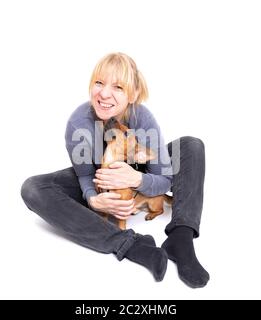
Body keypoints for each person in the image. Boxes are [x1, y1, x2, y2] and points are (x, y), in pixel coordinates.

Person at [21, 52, 209, 287]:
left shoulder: (143, 118)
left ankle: (181, 239)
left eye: (118, 87)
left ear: (133, 94)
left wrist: (137, 178)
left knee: (191, 145)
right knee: (33, 188)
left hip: (141, 171)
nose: (105, 93)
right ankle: (132, 245)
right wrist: (93, 199)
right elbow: (86, 175)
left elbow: (164, 179)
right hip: (100, 179)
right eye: (99, 82)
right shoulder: (78, 123)